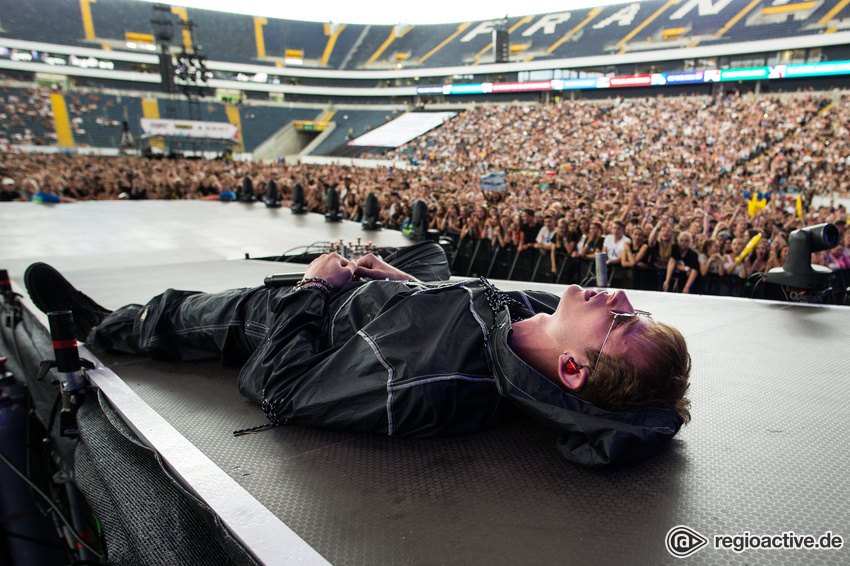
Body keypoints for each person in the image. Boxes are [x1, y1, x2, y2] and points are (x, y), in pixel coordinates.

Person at [24, 243, 691, 467]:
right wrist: (405, 286)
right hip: (358, 299)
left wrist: (316, 286)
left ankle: (105, 325)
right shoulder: (532, 323)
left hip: (282, 321)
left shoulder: (423, 382)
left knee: (178, 314)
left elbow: (280, 388)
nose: (620, 296)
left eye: (622, 321)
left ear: (571, 369)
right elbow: (470, 308)